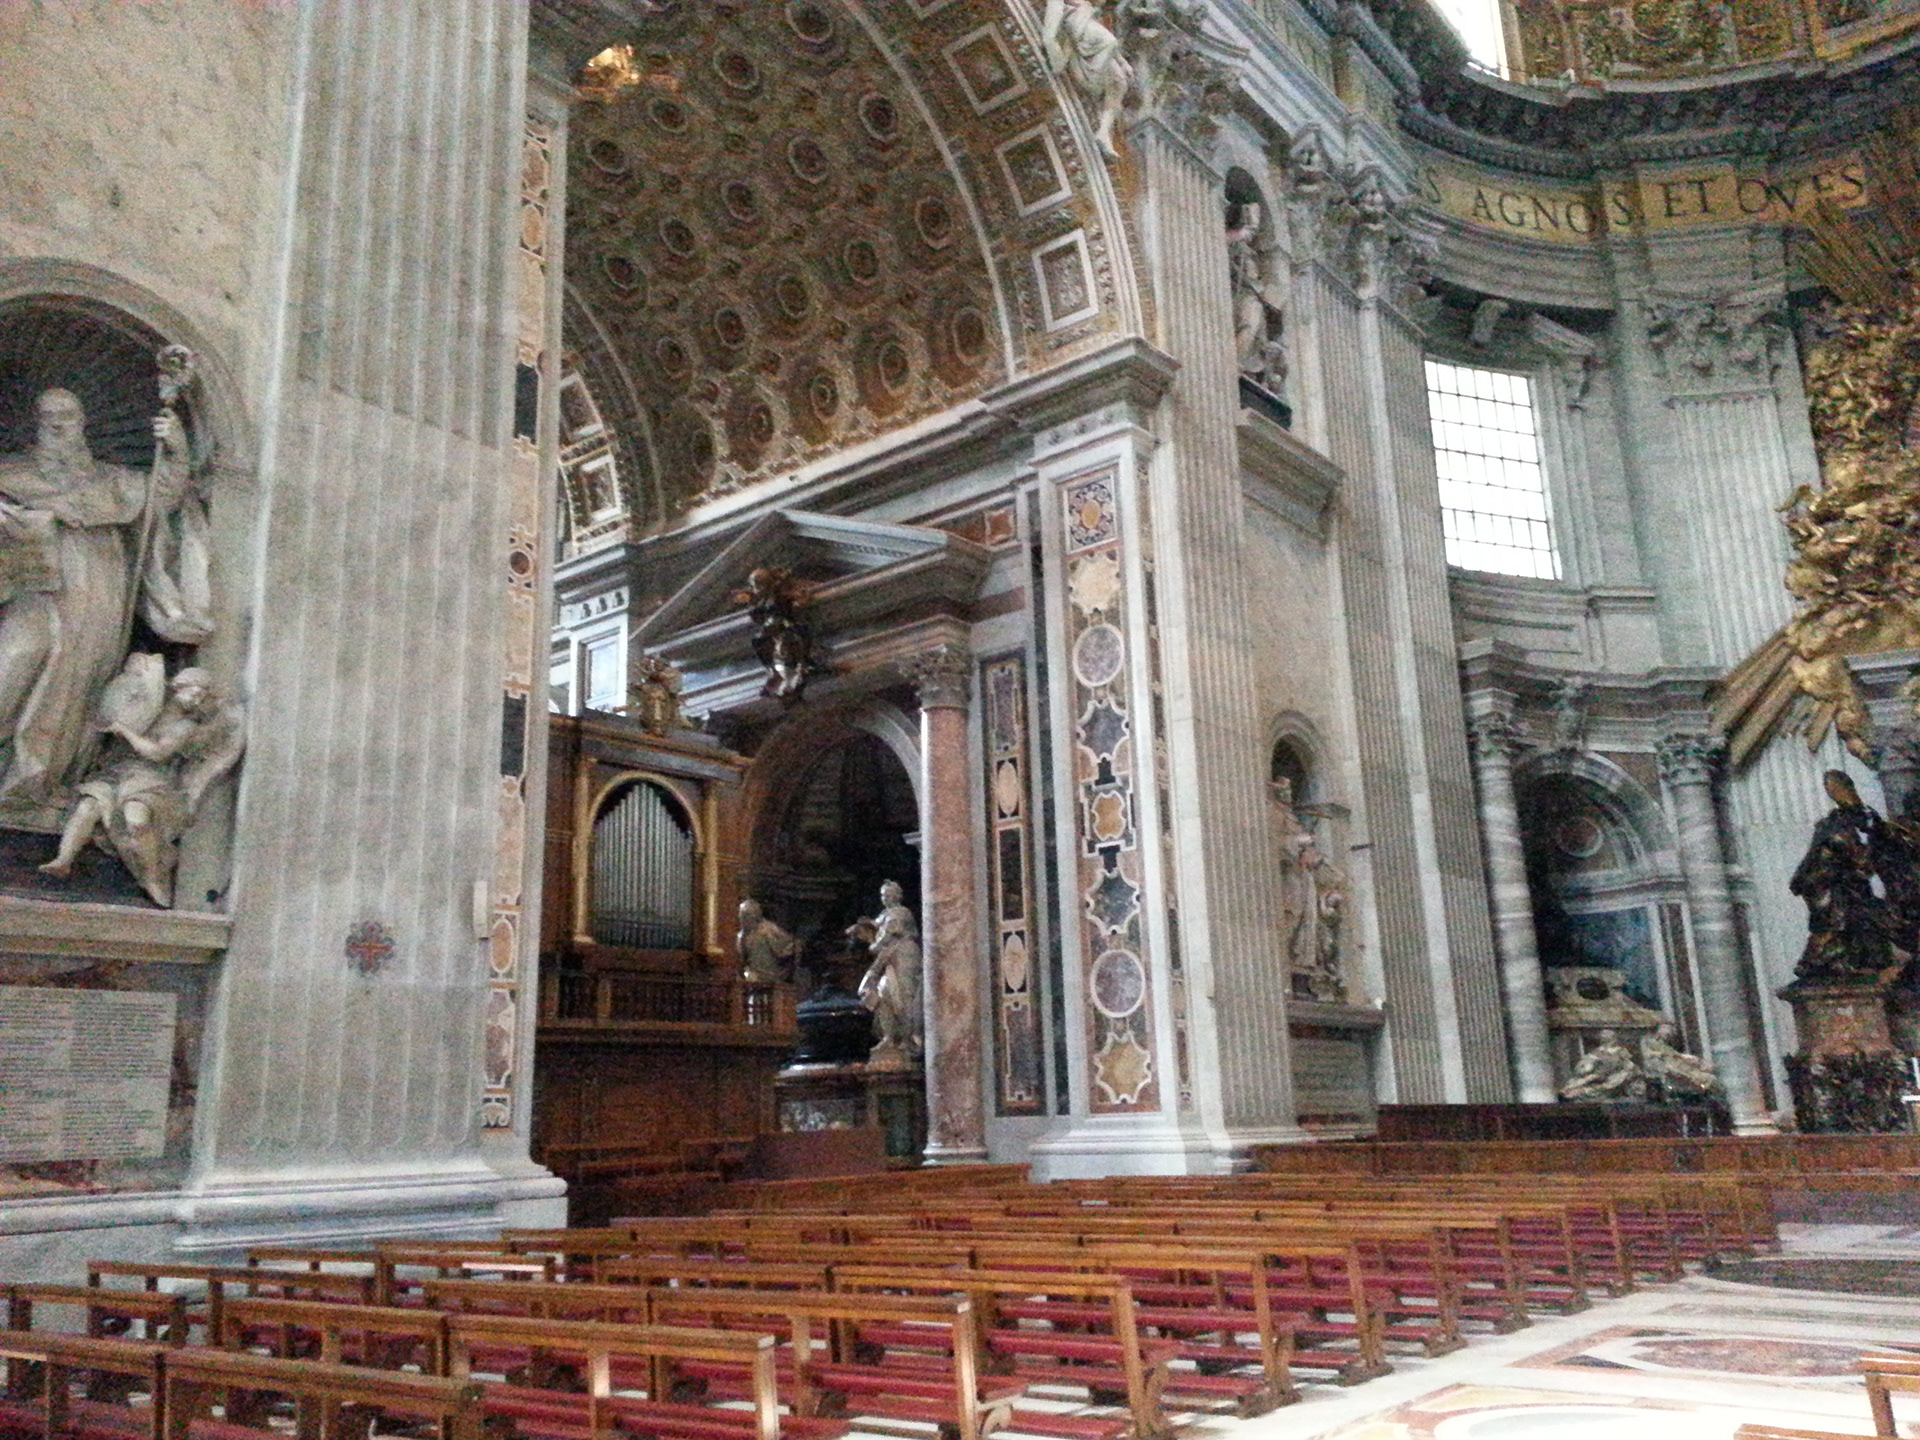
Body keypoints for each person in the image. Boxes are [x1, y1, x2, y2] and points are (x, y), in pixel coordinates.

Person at [0, 388, 201, 826]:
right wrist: (27, 521)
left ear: (82, 423)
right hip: (34, 590)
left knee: (76, 683)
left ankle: (34, 787)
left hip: (99, 591)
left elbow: (161, 499)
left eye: (67, 416)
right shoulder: (11, 474)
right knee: (14, 658)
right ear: (33, 424)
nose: (58, 425)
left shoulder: (112, 481)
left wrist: (175, 446)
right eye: (47, 417)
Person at [39, 661, 245, 907]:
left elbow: (156, 753)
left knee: (137, 819)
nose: (196, 700)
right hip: (119, 771)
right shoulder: (149, 706)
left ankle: (152, 876)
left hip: (152, 778)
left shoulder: (185, 727)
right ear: (179, 687)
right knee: (88, 807)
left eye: (202, 697)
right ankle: (63, 861)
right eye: (194, 692)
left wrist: (124, 731)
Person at [849, 879, 923, 1067]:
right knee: (884, 995)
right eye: (883, 895)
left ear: (897, 896)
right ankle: (890, 1037)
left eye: (888, 895)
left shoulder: (901, 913)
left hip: (903, 957)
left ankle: (909, 1039)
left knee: (905, 996)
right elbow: (876, 932)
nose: (885, 898)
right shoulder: (884, 914)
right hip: (888, 959)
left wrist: (870, 940)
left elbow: (884, 938)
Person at [1559, 1028, 1646, 1102]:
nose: (1604, 1040)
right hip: (1599, 1074)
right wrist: (1587, 1066)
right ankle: (1569, 1089)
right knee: (1585, 1079)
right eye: (1604, 1038)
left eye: (1607, 1038)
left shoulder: (1620, 1051)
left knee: (1606, 1082)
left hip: (1613, 1074)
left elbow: (1629, 1064)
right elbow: (1586, 1064)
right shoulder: (1599, 1051)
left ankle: (1578, 1090)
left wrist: (1631, 1069)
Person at [736, 899, 799, 985]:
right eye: (741, 915)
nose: (741, 918)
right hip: (751, 976)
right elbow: (742, 960)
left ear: (754, 915)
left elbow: (791, 946)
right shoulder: (741, 936)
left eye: (745, 915)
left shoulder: (769, 930)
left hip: (770, 975)